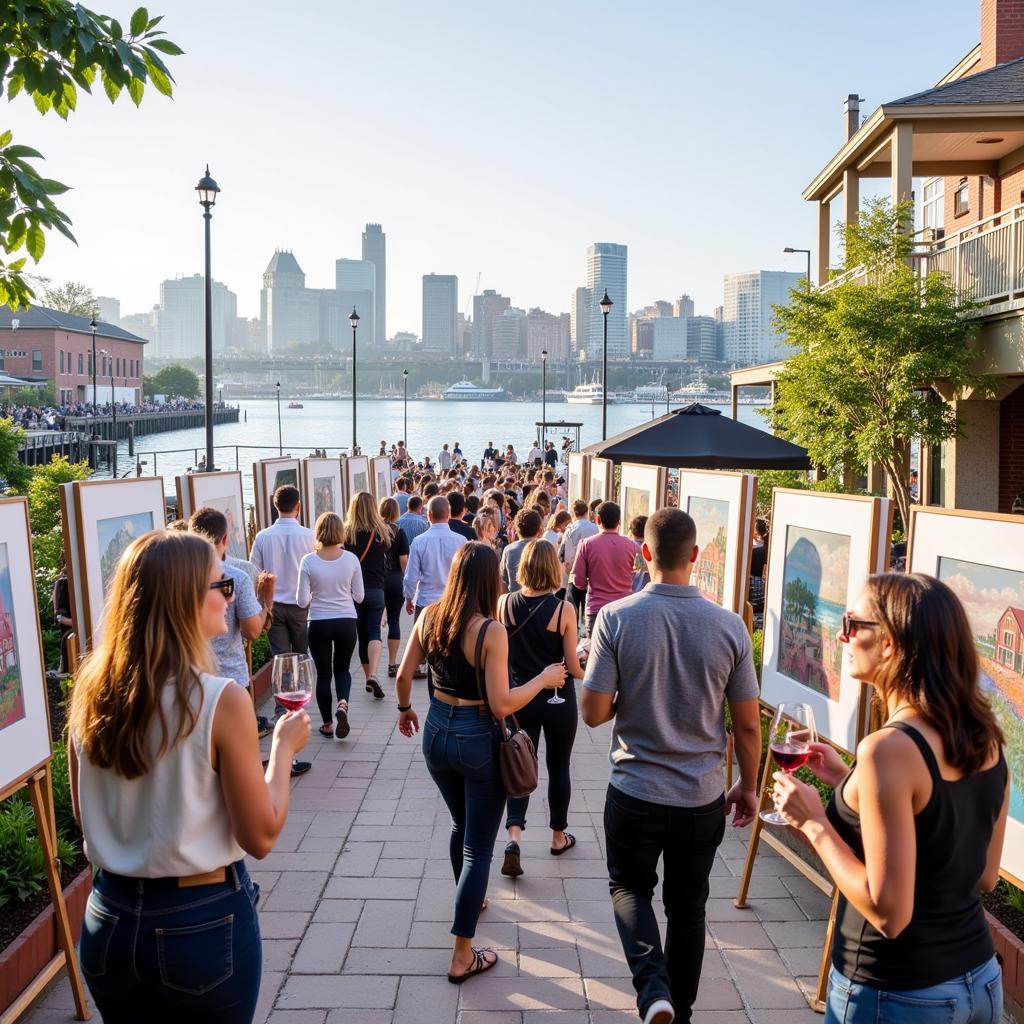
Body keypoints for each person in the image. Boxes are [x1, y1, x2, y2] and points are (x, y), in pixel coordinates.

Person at [69, 529, 311, 1022]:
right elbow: (261, 834)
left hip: (108, 917)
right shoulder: (220, 699)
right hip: (198, 920)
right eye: (221, 586)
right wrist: (283, 750)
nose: (230, 595)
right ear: (183, 600)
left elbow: (82, 813)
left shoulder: (91, 690)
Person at [772, 574, 1009, 1024]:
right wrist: (848, 781)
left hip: (899, 993)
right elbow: (982, 875)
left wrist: (815, 823)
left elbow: (889, 914)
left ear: (891, 644)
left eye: (852, 623)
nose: (841, 635)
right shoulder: (987, 737)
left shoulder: (887, 750)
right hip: (980, 980)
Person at [581, 508, 762, 1024]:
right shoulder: (729, 626)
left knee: (628, 888)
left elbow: (593, 714)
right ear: (696, 557)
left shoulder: (616, 618)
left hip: (634, 788)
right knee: (689, 907)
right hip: (701, 795)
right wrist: (748, 787)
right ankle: (678, 1011)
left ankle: (652, 990)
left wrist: (630, 697)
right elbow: (748, 727)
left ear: (644, 553)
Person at [394, 542, 566, 983]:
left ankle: (471, 898)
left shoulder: (430, 615)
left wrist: (404, 709)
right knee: (477, 848)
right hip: (476, 737)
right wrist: (544, 679)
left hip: (435, 732)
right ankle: (462, 954)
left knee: (459, 825)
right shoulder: (489, 630)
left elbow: (401, 675)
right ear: (492, 581)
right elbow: (502, 703)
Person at [498, 540, 585, 878]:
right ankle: (558, 836)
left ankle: (514, 837)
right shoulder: (564, 610)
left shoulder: (504, 604)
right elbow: (573, 669)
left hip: (520, 697)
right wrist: (589, 662)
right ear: (553, 567)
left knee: (519, 764)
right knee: (558, 766)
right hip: (558, 698)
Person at [190, 508, 274, 739]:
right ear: (225, 539)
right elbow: (253, 630)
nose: (230, 598)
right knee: (238, 747)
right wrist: (266, 602)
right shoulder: (235, 577)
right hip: (230, 678)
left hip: (189, 682)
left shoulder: (175, 576)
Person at [297, 512, 363, 739]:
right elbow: (360, 596)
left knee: (324, 674)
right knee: (342, 669)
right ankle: (342, 704)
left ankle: (327, 724)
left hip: (318, 622)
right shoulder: (351, 559)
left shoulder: (308, 561)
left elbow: (302, 601)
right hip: (346, 620)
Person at [250, 485, 315, 657]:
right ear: (298, 506)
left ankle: (285, 684)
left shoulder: (262, 536)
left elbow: (255, 572)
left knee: (280, 658)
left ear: (275, 506)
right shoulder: (310, 536)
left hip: (274, 605)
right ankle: (302, 684)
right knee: (302, 655)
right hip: (301, 605)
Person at [342, 491, 393, 700]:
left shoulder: (346, 533)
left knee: (362, 635)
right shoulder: (382, 532)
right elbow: (387, 564)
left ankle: (367, 678)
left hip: (354, 591)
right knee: (375, 632)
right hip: (376, 589)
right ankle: (373, 674)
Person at [572, 501, 638, 637]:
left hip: (597, 609)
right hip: (625, 609)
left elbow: (578, 582)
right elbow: (640, 572)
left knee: (596, 655)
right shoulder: (632, 546)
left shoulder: (586, 545)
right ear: (619, 521)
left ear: (597, 519)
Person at [404, 496, 468, 620]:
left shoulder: (419, 541)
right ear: (449, 514)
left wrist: (408, 598)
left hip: (426, 602)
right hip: (452, 602)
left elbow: (411, 577)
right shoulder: (461, 541)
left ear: (429, 515)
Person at [379, 497, 410, 678]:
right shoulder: (399, 532)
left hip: (377, 580)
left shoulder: (374, 531)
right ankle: (392, 663)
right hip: (395, 579)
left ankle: (371, 665)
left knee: (373, 624)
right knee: (394, 621)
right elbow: (404, 562)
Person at [499, 507, 542, 594]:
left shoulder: (509, 550)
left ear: (516, 529)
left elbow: (503, 579)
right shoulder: (544, 549)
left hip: (514, 601)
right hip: (540, 601)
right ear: (539, 530)